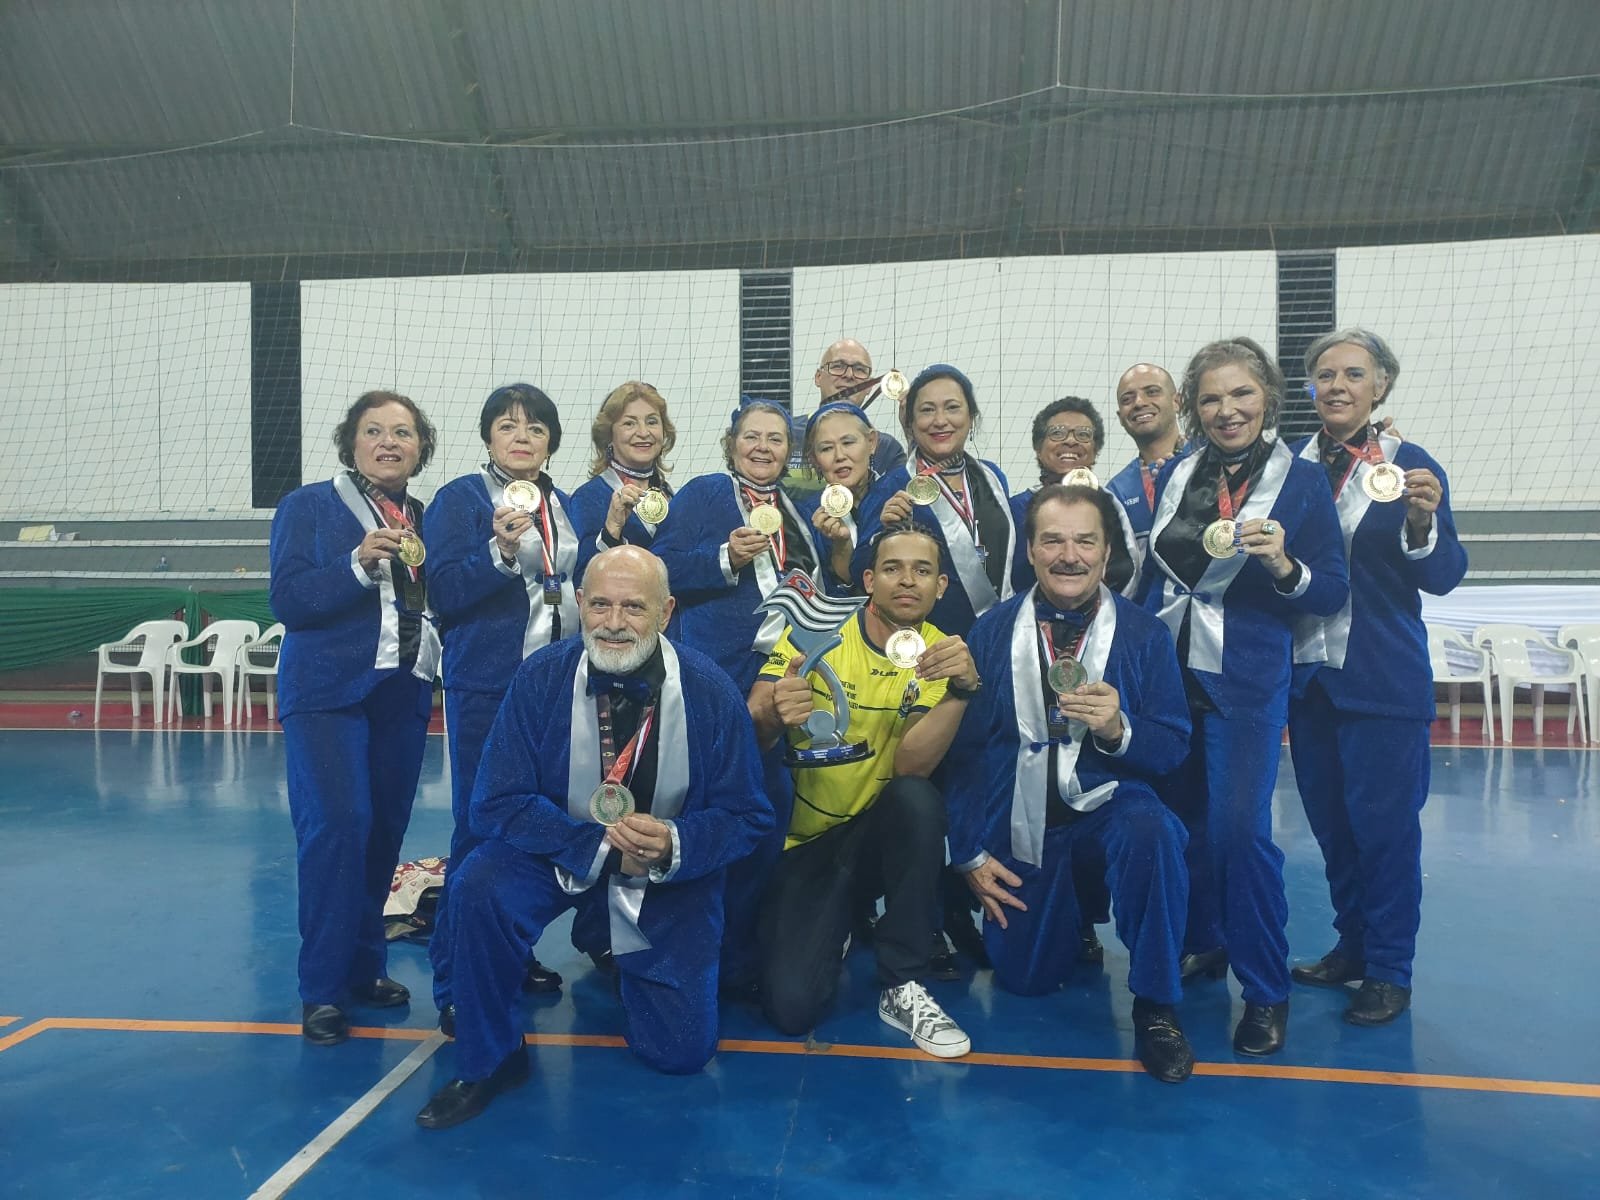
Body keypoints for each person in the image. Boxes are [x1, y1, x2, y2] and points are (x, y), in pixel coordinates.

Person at [415, 547, 773, 1130]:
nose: (612, 621)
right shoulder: (539, 676)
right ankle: (490, 1057)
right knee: (478, 882)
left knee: (679, 1053)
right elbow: (494, 801)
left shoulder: (710, 690)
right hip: (558, 852)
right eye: (600, 603)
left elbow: (747, 814)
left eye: (634, 606)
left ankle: (629, 958)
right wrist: (593, 844)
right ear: (579, 604)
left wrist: (674, 842)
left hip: (662, 872)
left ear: (666, 611)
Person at [1139, 337, 1348, 1056]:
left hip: (1248, 681)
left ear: (1268, 398)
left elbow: (1332, 589)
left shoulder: (1304, 481)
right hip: (1170, 677)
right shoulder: (1178, 472)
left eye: (1241, 395)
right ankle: (1204, 942)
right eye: (1211, 398)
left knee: (1240, 833)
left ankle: (1265, 990)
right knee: (1181, 827)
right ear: (1192, 410)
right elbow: (1153, 574)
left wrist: (1286, 565)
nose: (1227, 410)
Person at [949, 485, 1195, 1082]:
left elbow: (1173, 747)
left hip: (1109, 807)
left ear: (1107, 550)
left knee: (1152, 831)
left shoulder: (1144, 635)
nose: (1069, 555)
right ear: (1029, 551)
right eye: (1053, 540)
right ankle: (1074, 916)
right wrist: (969, 853)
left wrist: (1118, 729)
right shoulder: (990, 632)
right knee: (1026, 982)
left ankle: (1157, 1003)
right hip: (1023, 821)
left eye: (1085, 541)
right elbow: (967, 754)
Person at [1287, 328, 1467, 1026]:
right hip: (1308, 680)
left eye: (1352, 374)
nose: (1335, 385)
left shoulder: (1410, 464)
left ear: (1381, 386)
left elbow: (1446, 575)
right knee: (1333, 828)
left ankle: (1390, 968)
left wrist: (1422, 521)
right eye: (1322, 376)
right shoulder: (1289, 467)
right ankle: (1353, 946)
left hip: (1383, 680)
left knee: (1386, 831)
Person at [750, 524, 978, 1058]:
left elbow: (909, 765)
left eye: (922, 571)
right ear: (870, 579)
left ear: (940, 585)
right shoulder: (819, 626)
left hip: (879, 836)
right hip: (805, 845)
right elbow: (754, 723)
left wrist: (962, 694)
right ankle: (843, 916)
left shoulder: (944, 654)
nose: (908, 581)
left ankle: (902, 982)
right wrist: (773, 708)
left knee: (916, 801)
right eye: (893, 568)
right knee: (791, 1009)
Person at [269, 390, 441, 1046]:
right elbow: (289, 600)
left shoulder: (421, 515)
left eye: (403, 432)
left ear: (420, 446)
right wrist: (357, 563)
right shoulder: (308, 507)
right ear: (352, 442)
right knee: (339, 827)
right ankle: (321, 988)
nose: (390, 442)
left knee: (382, 834)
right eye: (375, 430)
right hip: (326, 692)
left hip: (402, 692)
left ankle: (366, 966)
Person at [423, 383, 575, 1016]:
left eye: (536, 428)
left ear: (550, 443)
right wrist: (501, 551)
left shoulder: (561, 502)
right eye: (509, 426)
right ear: (488, 436)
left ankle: (510, 951)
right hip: (486, 685)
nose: (522, 437)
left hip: (551, 689)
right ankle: (457, 980)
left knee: (528, 826)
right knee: (478, 825)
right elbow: (443, 591)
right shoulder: (459, 498)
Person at [653, 397, 827, 694]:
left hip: (787, 665)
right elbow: (658, 569)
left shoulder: (799, 513)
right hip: (716, 667)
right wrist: (726, 559)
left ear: (787, 451)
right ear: (732, 445)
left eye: (775, 439)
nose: (763, 446)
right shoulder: (705, 491)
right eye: (751, 437)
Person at [852, 364, 1014, 636]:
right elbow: (858, 571)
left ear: (971, 417)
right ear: (911, 423)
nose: (940, 420)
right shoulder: (892, 486)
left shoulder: (994, 477)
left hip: (996, 635)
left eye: (952, 407)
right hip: (926, 642)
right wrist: (881, 533)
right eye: (927, 410)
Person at [1011, 397, 1141, 598]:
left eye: (1083, 434)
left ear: (1095, 450)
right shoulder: (1014, 510)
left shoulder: (1111, 507)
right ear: (1038, 447)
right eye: (1057, 433)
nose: (1070, 441)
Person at [568, 380, 677, 571]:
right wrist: (612, 530)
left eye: (652, 421)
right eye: (629, 423)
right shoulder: (588, 497)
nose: (643, 432)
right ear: (609, 436)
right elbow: (583, 578)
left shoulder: (667, 492)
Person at [1106, 363, 1186, 558]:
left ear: (1177, 401)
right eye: (1127, 399)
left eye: (1152, 392)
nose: (1139, 403)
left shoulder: (1211, 464)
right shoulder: (1117, 491)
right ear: (1120, 417)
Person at [800, 399, 880, 589]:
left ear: (872, 442)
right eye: (826, 448)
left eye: (848, 442)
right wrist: (841, 548)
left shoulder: (899, 496)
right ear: (814, 459)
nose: (839, 456)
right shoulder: (805, 517)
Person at [812, 338, 908, 477]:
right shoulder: (790, 436)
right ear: (818, 377)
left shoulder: (887, 449)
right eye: (838, 366)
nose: (849, 375)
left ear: (869, 386)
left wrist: (911, 431)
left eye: (859, 370)